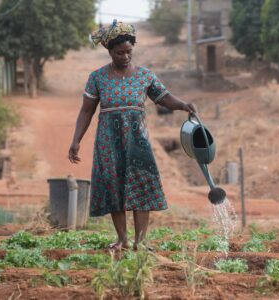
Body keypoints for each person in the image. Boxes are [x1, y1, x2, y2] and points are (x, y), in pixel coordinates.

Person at [68, 20, 196, 251]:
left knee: (142, 188)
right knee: (114, 188)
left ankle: (141, 241)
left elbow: (164, 97)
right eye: (119, 53)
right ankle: (122, 239)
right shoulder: (97, 77)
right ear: (110, 52)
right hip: (108, 143)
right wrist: (76, 140)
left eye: (129, 51)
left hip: (138, 142)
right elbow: (86, 110)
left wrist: (184, 105)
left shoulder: (144, 76)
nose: (125, 56)